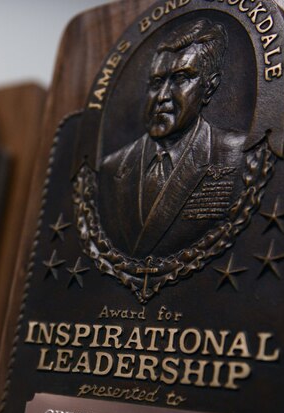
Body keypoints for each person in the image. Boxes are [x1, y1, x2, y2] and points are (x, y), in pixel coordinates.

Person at [98, 18, 247, 259]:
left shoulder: (238, 155)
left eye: (180, 79)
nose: (162, 96)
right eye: (156, 82)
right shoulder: (111, 167)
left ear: (209, 87)